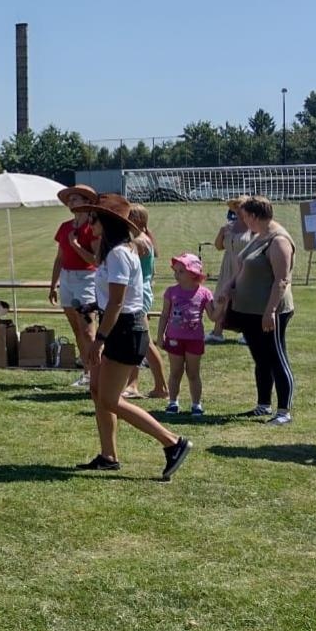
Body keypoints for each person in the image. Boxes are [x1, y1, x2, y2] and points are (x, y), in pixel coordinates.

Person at [76, 194, 192, 479]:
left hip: (124, 330)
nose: (89, 223)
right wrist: (94, 306)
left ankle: (172, 442)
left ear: (107, 222)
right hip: (119, 326)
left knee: (110, 399)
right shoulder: (115, 251)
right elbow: (114, 298)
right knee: (97, 391)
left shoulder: (118, 253)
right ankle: (108, 456)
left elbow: (118, 302)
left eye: (93, 217)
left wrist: (99, 339)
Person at [220, 196, 297, 424]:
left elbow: (281, 280)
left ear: (254, 216)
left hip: (271, 311)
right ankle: (263, 405)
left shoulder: (278, 240)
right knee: (261, 358)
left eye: (244, 216)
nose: (242, 221)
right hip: (249, 311)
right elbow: (242, 267)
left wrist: (270, 311)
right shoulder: (258, 236)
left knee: (276, 357)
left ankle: (283, 411)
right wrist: (229, 286)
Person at [49, 185, 100, 387]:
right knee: (77, 330)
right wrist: (53, 284)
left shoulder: (93, 227)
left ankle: (98, 374)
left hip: (87, 278)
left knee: (88, 331)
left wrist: (76, 245)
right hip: (67, 278)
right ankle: (87, 373)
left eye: (75, 199)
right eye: (69, 200)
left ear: (86, 202)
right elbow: (59, 258)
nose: (70, 203)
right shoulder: (65, 227)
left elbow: (96, 260)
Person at [161, 253, 216, 416]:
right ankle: (173, 402)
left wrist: (223, 303)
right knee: (175, 372)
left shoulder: (204, 293)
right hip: (174, 338)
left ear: (193, 273)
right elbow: (164, 315)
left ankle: (196, 404)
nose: (176, 275)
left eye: (181, 271)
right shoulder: (171, 292)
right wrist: (160, 335)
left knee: (193, 373)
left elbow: (213, 317)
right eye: (175, 271)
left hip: (194, 339)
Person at [125, 204, 170, 401]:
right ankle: (132, 384)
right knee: (136, 341)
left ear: (137, 220)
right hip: (140, 292)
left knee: (145, 342)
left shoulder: (139, 242)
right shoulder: (141, 239)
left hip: (139, 294)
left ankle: (162, 387)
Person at [207, 199, 253, 343]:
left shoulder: (253, 228)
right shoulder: (228, 227)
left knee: (245, 298)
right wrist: (222, 232)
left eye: (242, 207)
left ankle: (247, 333)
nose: (238, 210)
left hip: (245, 266)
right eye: (236, 207)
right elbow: (219, 246)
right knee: (223, 296)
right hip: (228, 266)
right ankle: (217, 332)